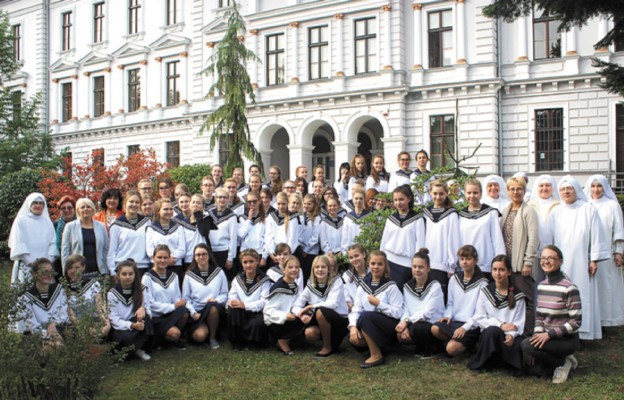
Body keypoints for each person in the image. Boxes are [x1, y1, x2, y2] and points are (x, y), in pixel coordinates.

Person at [544, 175, 609, 341]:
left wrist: (593, 259)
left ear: (576, 190)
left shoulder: (588, 209)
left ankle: (584, 332)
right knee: (560, 295)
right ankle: (560, 329)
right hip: (560, 263)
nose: (566, 192)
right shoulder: (556, 212)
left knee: (582, 294)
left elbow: (596, 235)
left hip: (582, 261)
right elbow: (548, 238)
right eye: (563, 189)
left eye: (569, 188)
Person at [521, 245, 581, 384]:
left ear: (560, 261)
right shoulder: (541, 286)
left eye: (551, 258)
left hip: (566, 339)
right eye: (543, 258)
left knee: (526, 345)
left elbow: (576, 322)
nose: (546, 261)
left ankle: (563, 362)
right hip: (547, 338)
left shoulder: (569, 288)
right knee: (535, 371)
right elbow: (540, 316)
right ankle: (561, 360)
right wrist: (537, 336)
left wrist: (549, 335)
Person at [468, 254, 526, 373]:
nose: (497, 273)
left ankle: (502, 362)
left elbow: (519, 323)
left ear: (509, 272)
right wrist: (500, 325)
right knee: (492, 331)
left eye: (501, 270)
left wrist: (511, 335)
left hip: (509, 337)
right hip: (490, 334)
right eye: (494, 269)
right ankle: (486, 362)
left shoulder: (518, 296)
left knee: (517, 346)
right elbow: (480, 317)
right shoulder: (485, 291)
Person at [348, 250, 403, 368]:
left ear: (385, 266)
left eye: (380, 264)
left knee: (366, 316)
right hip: (369, 324)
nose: (376, 267)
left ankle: (376, 355)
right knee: (354, 340)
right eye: (373, 264)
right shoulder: (363, 285)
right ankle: (378, 347)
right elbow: (356, 309)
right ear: (368, 265)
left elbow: (398, 313)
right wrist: (352, 327)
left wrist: (379, 304)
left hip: (388, 328)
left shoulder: (391, 286)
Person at [431, 245, 488, 357]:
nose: (465, 262)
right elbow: (451, 303)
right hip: (455, 322)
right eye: (462, 259)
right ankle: (457, 341)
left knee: (451, 349)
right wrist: (447, 316)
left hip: (471, 325)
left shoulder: (482, 283)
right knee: (435, 328)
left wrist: (464, 328)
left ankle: (469, 344)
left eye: (468, 259)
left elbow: (480, 314)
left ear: (475, 260)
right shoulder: (454, 279)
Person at [583, 175, 624, 327]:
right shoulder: (585, 204)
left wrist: (619, 251)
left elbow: (618, 229)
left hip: (607, 253)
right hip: (588, 252)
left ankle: (607, 319)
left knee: (607, 286)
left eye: (599, 186)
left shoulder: (612, 205)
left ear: (605, 187)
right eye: (593, 186)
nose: (596, 189)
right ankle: (593, 319)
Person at [501, 176, 540, 333]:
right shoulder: (507, 210)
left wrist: (528, 262)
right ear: (508, 191)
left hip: (521, 265)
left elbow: (533, 239)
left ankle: (528, 333)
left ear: (524, 191)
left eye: (519, 189)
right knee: (512, 299)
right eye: (512, 189)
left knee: (526, 299)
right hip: (508, 263)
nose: (515, 192)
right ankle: (513, 330)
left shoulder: (529, 211)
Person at [293, 255, 349, 357]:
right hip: (322, 321)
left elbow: (331, 304)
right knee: (310, 333)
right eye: (317, 267)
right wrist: (301, 315)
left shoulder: (337, 281)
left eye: (323, 267)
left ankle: (327, 347)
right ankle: (331, 342)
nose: (320, 270)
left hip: (339, 321)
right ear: (313, 270)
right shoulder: (311, 285)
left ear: (328, 269)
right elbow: (296, 304)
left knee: (320, 311)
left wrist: (311, 306)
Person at [394, 249, 445, 358]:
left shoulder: (435, 286)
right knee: (400, 333)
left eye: (421, 267)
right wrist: (404, 324)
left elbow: (428, 313)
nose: (417, 270)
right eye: (414, 266)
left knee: (418, 327)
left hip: (432, 324)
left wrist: (407, 321)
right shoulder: (407, 286)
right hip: (414, 323)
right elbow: (406, 309)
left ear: (428, 269)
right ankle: (420, 347)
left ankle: (435, 348)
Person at [142, 245, 188, 350]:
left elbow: (176, 297)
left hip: (170, 314)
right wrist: (172, 306)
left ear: (169, 258)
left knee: (184, 311)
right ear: (153, 258)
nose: (162, 260)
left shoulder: (174, 276)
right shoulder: (147, 278)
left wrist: (178, 303)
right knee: (175, 333)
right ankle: (159, 339)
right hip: (156, 317)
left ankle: (169, 338)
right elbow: (149, 303)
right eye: (159, 257)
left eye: (165, 257)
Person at [459, 178, 506, 280]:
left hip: (485, 263)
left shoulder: (490, 213)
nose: (472, 196)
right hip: (465, 264)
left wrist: (500, 261)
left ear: (480, 193)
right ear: (465, 194)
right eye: (469, 193)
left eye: (475, 192)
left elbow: (497, 239)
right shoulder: (460, 215)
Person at [183, 243, 228, 348]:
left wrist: (216, 300)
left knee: (212, 307)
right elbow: (186, 298)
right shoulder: (189, 274)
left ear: (209, 255)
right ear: (194, 257)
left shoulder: (219, 272)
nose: (201, 257)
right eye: (198, 255)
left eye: (204, 254)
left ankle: (213, 337)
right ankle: (203, 331)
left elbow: (225, 294)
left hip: (214, 309)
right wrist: (193, 312)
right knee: (199, 336)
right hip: (197, 312)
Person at [380, 185, 425, 288]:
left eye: (401, 199)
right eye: (395, 200)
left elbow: (419, 244)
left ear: (409, 199)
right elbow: (384, 241)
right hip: (389, 262)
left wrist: (416, 265)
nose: (398, 203)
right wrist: (381, 259)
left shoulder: (417, 219)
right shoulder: (391, 219)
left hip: (406, 265)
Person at [108, 259, 153, 361]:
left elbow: (149, 311)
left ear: (135, 275)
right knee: (124, 336)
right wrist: (131, 325)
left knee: (147, 321)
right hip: (122, 327)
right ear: (118, 275)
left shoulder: (141, 289)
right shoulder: (112, 293)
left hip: (137, 323)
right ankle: (134, 351)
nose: (127, 277)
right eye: (124, 274)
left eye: (130, 274)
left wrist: (143, 309)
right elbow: (113, 318)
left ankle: (136, 350)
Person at [17, 258, 69, 346]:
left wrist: (54, 325)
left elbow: (63, 313)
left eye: (50, 271)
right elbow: (31, 324)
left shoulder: (59, 290)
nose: (48, 275)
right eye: (44, 271)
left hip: (59, 328)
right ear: (34, 274)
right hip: (37, 335)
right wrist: (48, 335)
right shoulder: (26, 298)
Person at [422, 179, 460, 295]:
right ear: (430, 193)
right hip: (426, 264)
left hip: (442, 265)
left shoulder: (451, 214)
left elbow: (453, 240)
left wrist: (452, 265)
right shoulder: (426, 213)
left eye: (441, 194)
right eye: (435, 193)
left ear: (446, 193)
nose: (438, 197)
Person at [9, 193, 58, 284]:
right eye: (35, 203)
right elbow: (19, 243)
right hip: (27, 266)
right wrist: (31, 263)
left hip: (45, 268)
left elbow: (53, 243)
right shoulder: (21, 221)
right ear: (29, 204)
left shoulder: (48, 223)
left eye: (41, 203)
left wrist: (47, 262)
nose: (38, 205)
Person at [227, 249, 271, 349]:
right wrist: (232, 302)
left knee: (258, 323)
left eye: (251, 261)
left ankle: (253, 343)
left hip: (256, 312)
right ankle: (237, 342)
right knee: (232, 310)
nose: (248, 265)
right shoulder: (237, 279)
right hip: (241, 312)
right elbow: (232, 296)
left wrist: (245, 305)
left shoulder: (265, 280)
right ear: (241, 263)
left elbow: (264, 302)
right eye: (245, 262)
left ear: (257, 261)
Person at [263, 255, 306, 355]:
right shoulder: (279, 288)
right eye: (290, 267)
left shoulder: (294, 285)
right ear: (284, 270)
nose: (294, 270)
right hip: (275, 323)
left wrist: (299, 312)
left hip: (288, 319)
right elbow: (267, 311)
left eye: (296, 267)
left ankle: (289, 340)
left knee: (307, 316)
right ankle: (283, 340)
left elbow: (294, 305)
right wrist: (284, 315)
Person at [61, 198, 110, 278]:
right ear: (78, 210)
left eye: (88, 207)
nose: (85, 209)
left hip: (99, 271)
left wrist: (107, 269)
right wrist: (66, 272)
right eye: (82, 207)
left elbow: (106, 249)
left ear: (93, 209)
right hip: (77, 272)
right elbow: (65, 251)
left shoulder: (101, 226)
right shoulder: (70, 227)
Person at [64, 254, 110, 337]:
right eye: (70, 268)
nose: (73, 271)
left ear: (83, 267)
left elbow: (99, 305)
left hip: (93, 319)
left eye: (77, 268)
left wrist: (106, 322)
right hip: (76, 325)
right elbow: (71, 314)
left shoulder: (93, 284)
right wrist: (85, 328)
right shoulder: (63, 290)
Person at [108, 191, 151, 275]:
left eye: (137, 202)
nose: (134, 204)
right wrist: (112, 271)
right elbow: (112, 250)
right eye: (131, 201)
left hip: (142, 267)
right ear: (125, 203)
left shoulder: (146, 222)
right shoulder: (116, 225)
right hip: (123, 267)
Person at [145, 199, 186, 284]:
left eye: (171, 209)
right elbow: (149, 250)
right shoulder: (151, 228)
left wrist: (169, 259)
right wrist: (163, 259)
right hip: (156, 266)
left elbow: (182, 249)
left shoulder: (179, 227)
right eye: (165, 209)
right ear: (158, 211)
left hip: (175, 265)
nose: (169, 211)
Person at [207, 188, 238, 280]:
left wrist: (230, 257)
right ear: (215, 199)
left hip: (224, 252)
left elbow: (233, 238)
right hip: (211, 252)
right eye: (219, 197)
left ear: (228, 199)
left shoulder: (232, 216)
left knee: (225, 279)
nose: (222, 199)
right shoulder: (208, 214)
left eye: (225, 197)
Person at [265, 192, 304, 265]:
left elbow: (292, 239)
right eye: (279, 204)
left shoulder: (293, 217)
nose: (281, 206)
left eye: (283, 204)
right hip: (276, 254)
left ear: (288, 203)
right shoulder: (271, 216)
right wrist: (271, 252)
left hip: (289, 255)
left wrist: (286, 255)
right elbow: (269, 236)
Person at [527, 174, 560, 253]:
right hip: (535, 249)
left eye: (547, 185)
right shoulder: (530, 206)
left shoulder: (559, 205)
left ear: (553, 188)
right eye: (541, 186)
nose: (544, 188)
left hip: (555, 248)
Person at [238, 191, 268, 271]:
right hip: (245, 253)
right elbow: (241, 234)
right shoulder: (242, 217)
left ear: (259, 201)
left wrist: (264, 257)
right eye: (249, 202)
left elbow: (267, 239)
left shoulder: (266, 217)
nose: (252, 204)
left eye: (254, 201)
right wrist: (249, 219)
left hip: (259, 253)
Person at [300, 194, 322, 283]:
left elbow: (316, 236)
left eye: (309, 204)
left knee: (310, 274)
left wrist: (307, 248)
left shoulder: (317, 218)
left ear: (314, 204)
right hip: (301, 251)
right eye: (305, 204)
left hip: (311, 251)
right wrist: (301, 248)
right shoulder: (301, 217)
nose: (306, 206)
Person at [53, 195, 76, 275]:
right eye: (63, 208)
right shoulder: (54, 226)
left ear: (74, 209)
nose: (66, 210)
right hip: (59, 264)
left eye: (69, 208)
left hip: (78, 263)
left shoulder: (81, 224)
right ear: (59, 210)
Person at [344, 244, 369, 311]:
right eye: (351, 257)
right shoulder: (346, 275)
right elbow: (346, 296)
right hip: (353, 310)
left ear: (364, 255)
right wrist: (353, 309)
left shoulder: (372, 272)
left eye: (356, 256)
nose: (354, 259)